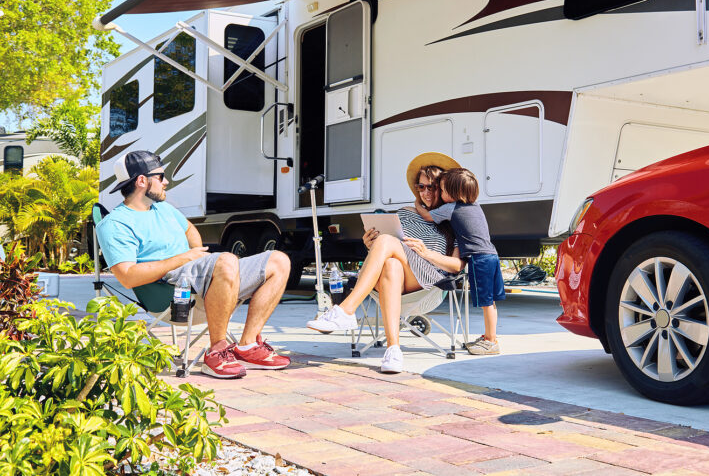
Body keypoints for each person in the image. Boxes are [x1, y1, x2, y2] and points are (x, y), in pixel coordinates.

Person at [95, 150, 291, 379]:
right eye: (160, 176)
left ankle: (247, 345)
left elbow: (189, 230)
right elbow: (127, 276)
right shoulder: (115, 224)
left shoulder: (162, 208)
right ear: (141, 181)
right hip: (168, 290)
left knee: (279, 260)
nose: (166, 181)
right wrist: (185, 258)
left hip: (197, 277)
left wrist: (195, 255)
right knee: (226, 260)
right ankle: (216, 352)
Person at [306, 152, 464, 373]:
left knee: (387, 242)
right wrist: (370, 245)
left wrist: (426, 253)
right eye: (421, 187)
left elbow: (457, 266)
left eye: (432, 187)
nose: (426, 192)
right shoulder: (405, 213)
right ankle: (393, 350)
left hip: (429, 284)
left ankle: (346, 310)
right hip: (397, 277)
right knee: (391, 263)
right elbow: (391, 248)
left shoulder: (454, 221)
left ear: (443, 188)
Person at [415, 167, 505, 355]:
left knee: (486, 302)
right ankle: (491, 335)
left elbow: (426, 216)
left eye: (443, 189)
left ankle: (491, 341)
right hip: (492, 255)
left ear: (454, 193)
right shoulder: (476, 206)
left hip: (478, 258)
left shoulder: (450, 207)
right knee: (492, 301)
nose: (441, 192)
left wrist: (417, 201)